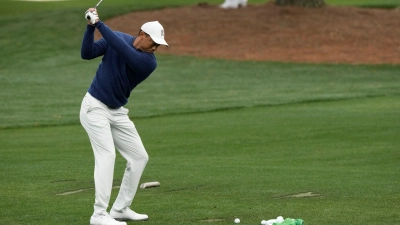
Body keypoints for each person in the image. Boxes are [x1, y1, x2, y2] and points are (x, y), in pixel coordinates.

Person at [80, 8, 168, 225]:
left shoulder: (149, 62)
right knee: (107, 156)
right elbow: (87, 53)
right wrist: (90, 27)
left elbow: (124, 51)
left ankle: (120, 208)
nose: (156, 47)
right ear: (142, 34)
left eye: (159, 44)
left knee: (139, 157)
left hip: (117, 112)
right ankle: (99, 215)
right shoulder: (116, 38)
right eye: (153, 41)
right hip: (95, 108)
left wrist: (99, 24)